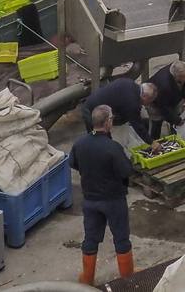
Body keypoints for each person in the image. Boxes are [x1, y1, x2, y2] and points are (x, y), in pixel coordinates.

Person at [72, 104, 137, 282]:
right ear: (108, 122)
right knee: (121, 239)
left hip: (90, 200)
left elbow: (74, 164)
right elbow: (126, 171)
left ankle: (87, 279)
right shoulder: (112, 147)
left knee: (90, 239)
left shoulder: (80, 143)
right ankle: (128, 279)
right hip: (113, 200)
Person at [78, 78, 158, 143]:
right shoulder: (132, 102)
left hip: (93, 103)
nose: (148, 104)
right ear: (144, 96)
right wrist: (151, 142)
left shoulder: (129, 83)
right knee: (100, 141)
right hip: (91, 112)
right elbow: (137, 124)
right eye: (149, 101)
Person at [149, 61, 185, 136]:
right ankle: (154, 140)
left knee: (175, 114)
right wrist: (177, 121)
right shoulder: (164, 85)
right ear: (176, 77)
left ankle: (175, 134)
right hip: (155, 99)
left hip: (171, 96)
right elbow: (164, 108)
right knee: (157, 120)